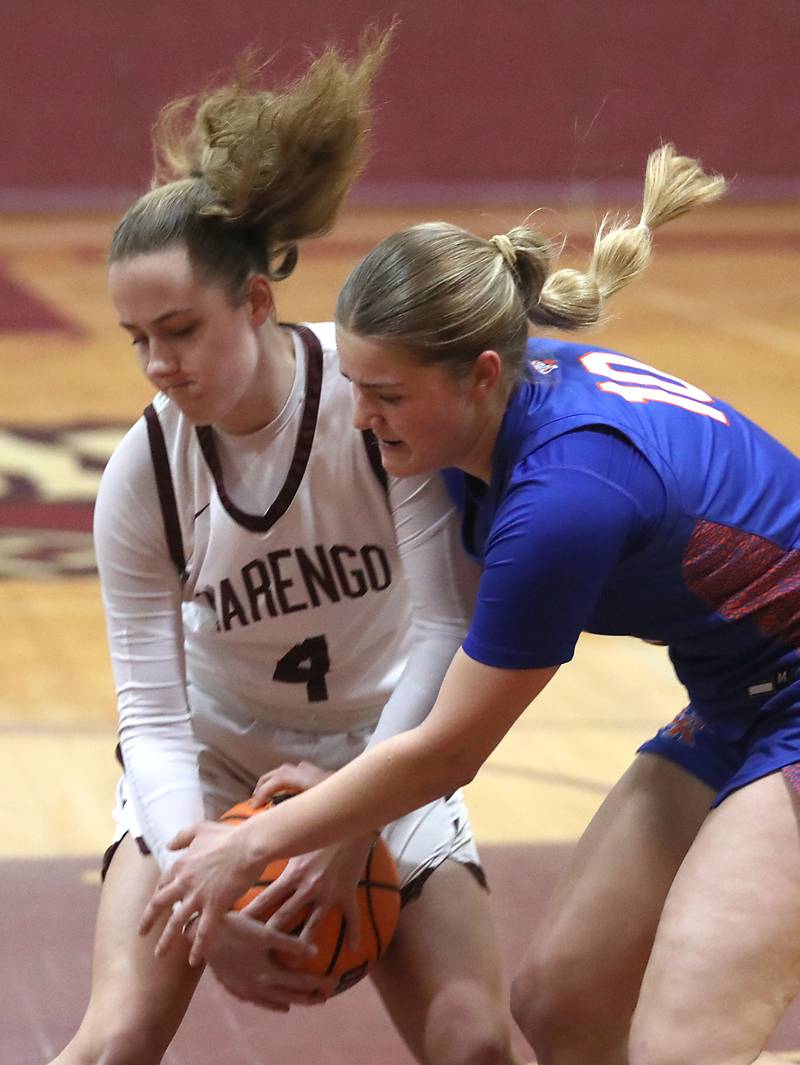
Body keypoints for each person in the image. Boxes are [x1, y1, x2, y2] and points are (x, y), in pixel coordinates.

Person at [142, 141, 800, 1065]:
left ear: (481, 373)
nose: (360, 419)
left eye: (385, 395)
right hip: (741, 693)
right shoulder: (478, 415)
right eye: (354, 387)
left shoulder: (563, 494)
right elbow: (439, 674)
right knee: (563, 1004)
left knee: (683, 1047)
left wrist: (247, 847)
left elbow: (451, 750)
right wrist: (343, 800)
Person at [51, 28, 522, 1065]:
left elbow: (444, 624)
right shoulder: (143, 473)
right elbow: (152, 713)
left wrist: (357, 814)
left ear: (256, 301)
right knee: (115, 1038)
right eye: (138, 338)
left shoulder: (372, 405)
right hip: (215, 760)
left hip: (379, 742)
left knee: (475, 1039)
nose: (157, 364)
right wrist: (204, 869)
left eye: (180, 329)